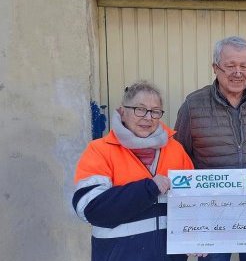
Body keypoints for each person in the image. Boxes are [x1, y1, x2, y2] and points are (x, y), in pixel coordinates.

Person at [173, 36, 246, 261]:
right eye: (230, 65)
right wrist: (188, 216)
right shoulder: (193, 106)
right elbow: (179, 159)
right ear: (215, 68)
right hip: (212, 214)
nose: (237, 72)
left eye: (244, 66)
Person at [72, 81, 194, 261]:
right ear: (122, 111)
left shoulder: (176, 150)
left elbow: (193, 203)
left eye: (155, 111)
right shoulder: (99, 151)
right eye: (140, 109)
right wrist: (148, 189)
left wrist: (197, 238)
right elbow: (91, 208)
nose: (148, 117)